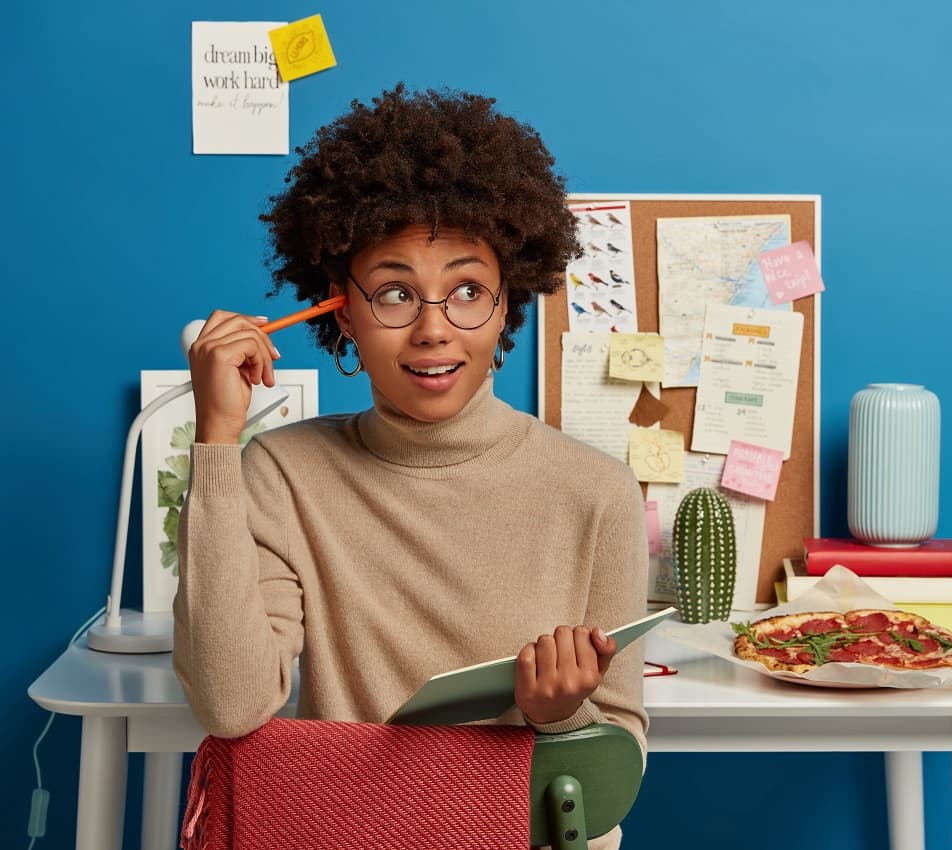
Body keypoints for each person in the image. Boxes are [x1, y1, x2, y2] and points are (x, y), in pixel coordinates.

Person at [172, 85, 649, 846]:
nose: (433, 329)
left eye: (467, 291)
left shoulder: (596, 493)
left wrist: (559, 711)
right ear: (342, 312)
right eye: (395, 293)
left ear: (506, 309)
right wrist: (218, 439)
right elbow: (231, 705)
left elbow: (618, 754)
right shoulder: (283, 473)